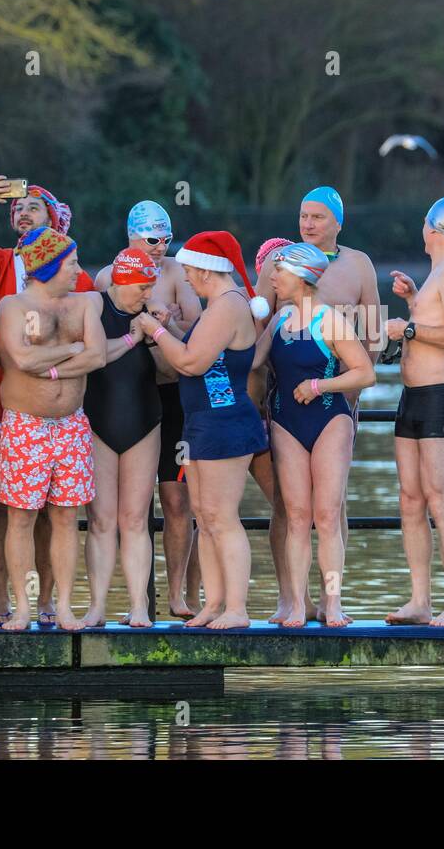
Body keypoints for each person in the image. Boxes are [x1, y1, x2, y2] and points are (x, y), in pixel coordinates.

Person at [0, 177, 95, 626]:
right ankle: (4, 599)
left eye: (35, 209)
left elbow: (95, 348)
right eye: (19, 209)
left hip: (64, 415)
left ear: (55, 221)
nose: (24, 213)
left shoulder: (75, 277)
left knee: (58, 510)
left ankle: (48, 600)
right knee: (5, 505)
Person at [256, 187, 383, 623]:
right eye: (302, 215)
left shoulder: (353, 274)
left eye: (317, 216)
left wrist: (331, 388)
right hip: (285, 412)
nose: (307, 223)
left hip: (334, 409)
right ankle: (293, 600)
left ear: (338, 222)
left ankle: (332, 601)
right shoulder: (277, 310)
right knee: (293, 513)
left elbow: (369, 352)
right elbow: (247, 351)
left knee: (329, 512)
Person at [134, 230, 271, 630]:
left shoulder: (228, 306)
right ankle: (214, 604)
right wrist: (168, 328)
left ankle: (237, 608)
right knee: (206, 517)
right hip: (204, 422)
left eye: (189, 272)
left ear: (204, 270)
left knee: (223, 518)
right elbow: (202, 353)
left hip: (225, 422)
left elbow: (191, 363)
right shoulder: (217, 306)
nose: (185, 280)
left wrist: (154, 331)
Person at [95, 201, 203, 619]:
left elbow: (196, 338)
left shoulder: (178, 273)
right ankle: (125, 602)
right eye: (152, 239)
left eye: (166, 239)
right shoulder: (107, 277)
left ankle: (176, 596)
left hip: (172, 398)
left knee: (177, 502)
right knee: (121, 511)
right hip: (124, 397)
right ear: (131, 237)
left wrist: (164, 326)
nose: (160, 247)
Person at [0, 227, 105, 631]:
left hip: (72, 425)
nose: (78, 270)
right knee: (21, 518)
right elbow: (22, 359)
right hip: (26, 425)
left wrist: (55, 366)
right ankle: (22, 607)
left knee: (65, 516)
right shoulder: (13, 305)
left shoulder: (84, 304)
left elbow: (96, 356)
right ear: (50, 267)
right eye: (72, 263)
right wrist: (71, 349)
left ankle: (62, 606)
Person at [383, 197, 444, 627]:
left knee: (440, 499)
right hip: (413, 397)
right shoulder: (441, 271)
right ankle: (420, 599)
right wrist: (414, 300)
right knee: (410, 500)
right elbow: (437, 325)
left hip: (442, 394)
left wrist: (407, 327)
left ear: (432, 229)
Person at [83, 247, 164, 628]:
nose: (147, 294)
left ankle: (138, 607)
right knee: (100, 520)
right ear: (121, 280)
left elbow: (172, 372)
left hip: (144, 421)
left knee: (134, 520)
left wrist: (159, 335)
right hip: (96, 420)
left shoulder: (151, 318)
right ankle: (97, 606)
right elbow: (89, 357)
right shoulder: (92, 307)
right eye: (143, 288)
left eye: (151, 287)